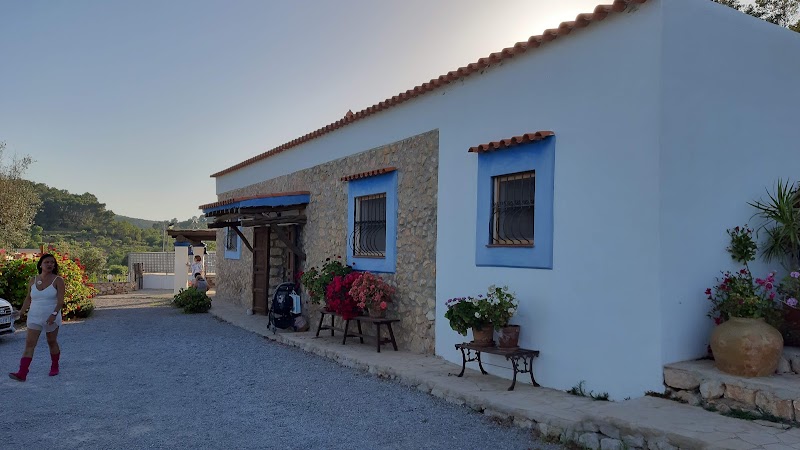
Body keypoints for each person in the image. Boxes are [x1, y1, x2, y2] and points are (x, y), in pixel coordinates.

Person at [9, 254, 65, 382]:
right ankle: (22, 373)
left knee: (51, 341)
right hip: (34, 316)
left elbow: (60, 301)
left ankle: (54, 366)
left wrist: (54, 314)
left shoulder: (58, 280)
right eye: (47, 262)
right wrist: (21, 312)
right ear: (40, 264)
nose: (50, 264)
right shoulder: (33, 280)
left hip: (51, 316)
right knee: (29, 344)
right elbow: (28, 298)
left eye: (52, 262)